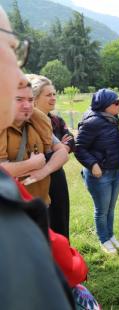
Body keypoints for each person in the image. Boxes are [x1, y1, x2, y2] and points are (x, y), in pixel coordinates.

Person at [0, 6, 73, 308]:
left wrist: (41, 172)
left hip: (42, 200)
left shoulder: (42, 121)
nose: (20, 73)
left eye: (31, 99)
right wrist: (31, 165)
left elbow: (63, 148)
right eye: (11, 49)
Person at [0, 82, 69, 205]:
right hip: (8, 210)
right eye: (19, 99)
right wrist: (32, 164)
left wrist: (45, 170)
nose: (27, 105)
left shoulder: (37, 123)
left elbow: (62, 152)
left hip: (39, 206)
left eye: (30, 100)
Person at [75, 88, 119, 254]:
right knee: (102, 210)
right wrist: (93, 165)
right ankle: (104, 239)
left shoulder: (111, 118)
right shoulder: (92, 122)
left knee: (110, 208)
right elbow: (79, 147)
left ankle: (110, 236)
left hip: (114, 171)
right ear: (105, 105)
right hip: (99, 174)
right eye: (116, 103)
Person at [28, 74, 74, 238]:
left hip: (56, 178)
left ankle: (63, 260)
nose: (53, 98)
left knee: (60, 220)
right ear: (35, 98)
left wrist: (58, 150)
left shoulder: (55, 121)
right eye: (48, 95)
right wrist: (57, 149)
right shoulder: (22, 122)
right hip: (33, 182)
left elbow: (69, 144)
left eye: (54, 94)